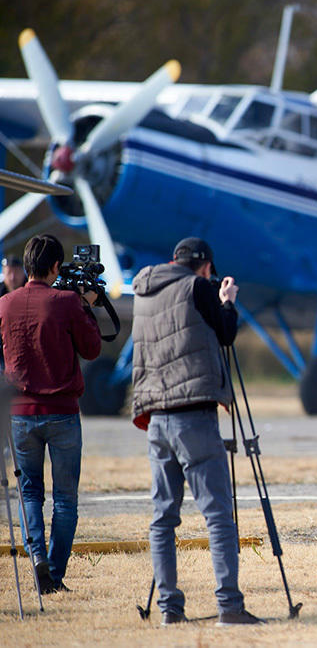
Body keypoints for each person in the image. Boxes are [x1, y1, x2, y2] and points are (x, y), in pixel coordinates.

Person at [131, 237, 262, 626]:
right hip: (195, 415)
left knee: (163, 517)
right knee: (219, 515)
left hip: (157, 417)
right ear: (205, 266)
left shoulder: (144, 290)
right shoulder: (198, 287)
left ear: (174, 260)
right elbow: (225, 334)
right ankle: (229, 606)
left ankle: (170, 610)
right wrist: (228, 301)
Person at [0, 234, 101, 594]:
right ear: (56, 267)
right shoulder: (66, 302)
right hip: (62, 412)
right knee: (65, 499)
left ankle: (38, 556)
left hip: (20, 413)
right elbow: (91, 349)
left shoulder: (6, 304)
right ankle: (54, 575)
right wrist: (85, 306)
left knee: (29, 492)